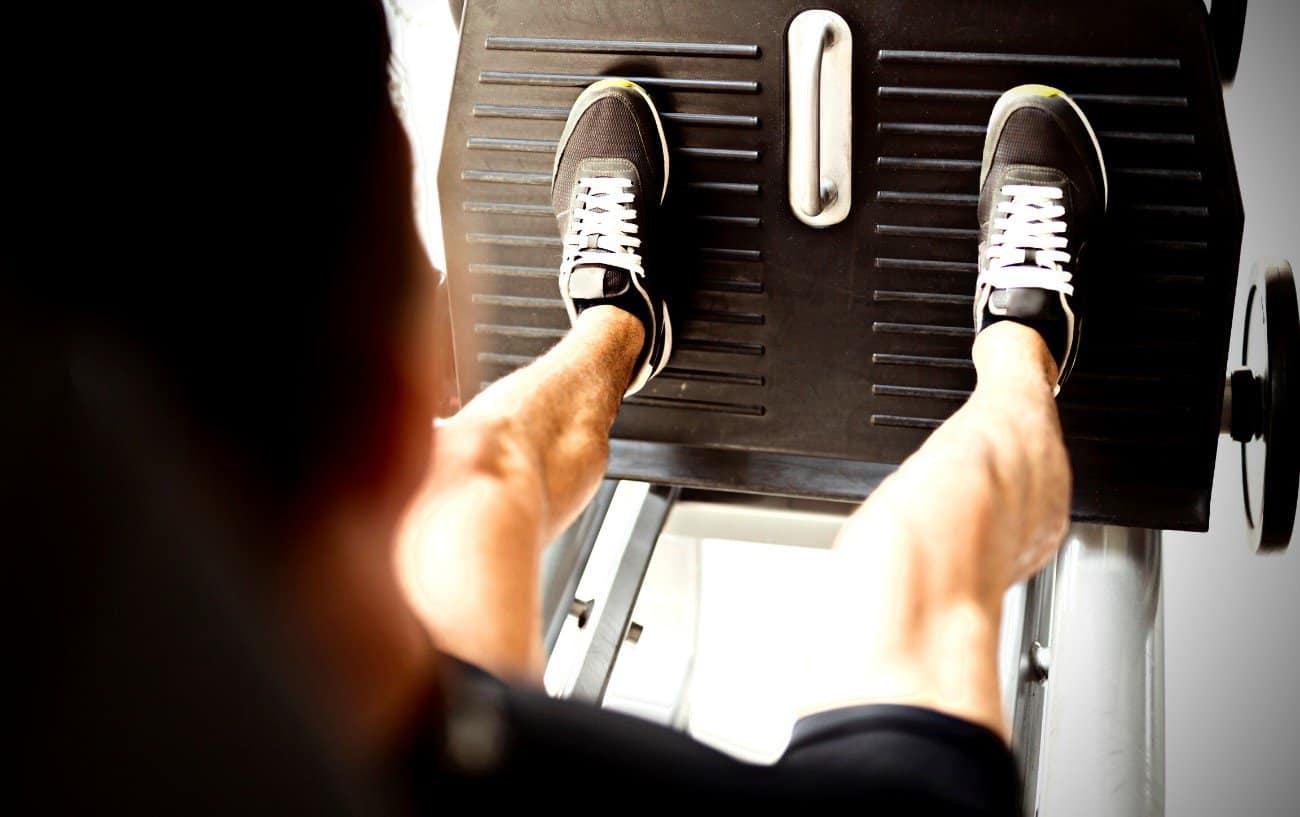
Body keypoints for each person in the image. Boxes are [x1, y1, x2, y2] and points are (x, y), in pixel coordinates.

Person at [10, 2, 1103, 813]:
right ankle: (1023, 342)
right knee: (903, 569)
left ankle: (618, 323)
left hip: (357, 741)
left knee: (475, 474)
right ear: (393, 407)